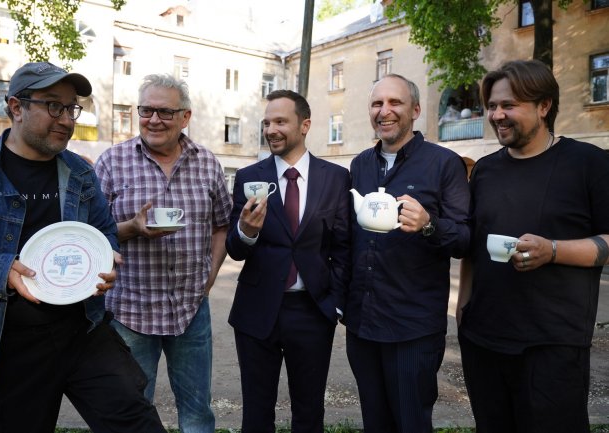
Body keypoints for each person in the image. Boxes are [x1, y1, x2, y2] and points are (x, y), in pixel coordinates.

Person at [0, 62, 166, 433]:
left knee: (138, 423)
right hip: (7, 342)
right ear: (16, 107)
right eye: (54, 106)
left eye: (72, 108)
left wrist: (105, 262)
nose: (67, 120)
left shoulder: (81, 173)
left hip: (82, 329)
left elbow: (104, 232)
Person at [456, 59, 609, 433]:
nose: (497, 115)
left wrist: (553, 250)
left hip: (553, 345)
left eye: (509, 105)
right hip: (483, 339)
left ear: (544, 106)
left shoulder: (588, 163)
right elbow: (475, 245)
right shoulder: (485, 170)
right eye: (492, 106)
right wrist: (463, 309)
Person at [95, 73, 232, 433]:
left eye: (165, 112)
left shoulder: (207, 163)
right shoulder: (111, 162)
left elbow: (222, 225)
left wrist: (210, 278)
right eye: (146, 110)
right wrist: (132, 228)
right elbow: (89, 235)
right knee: (132, 410)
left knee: (197, 412)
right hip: (130, 312)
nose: (154, 120)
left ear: (185, 117)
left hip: (191, 309)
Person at [345, 74, 470, 432]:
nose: (384, 111)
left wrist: (430, 224)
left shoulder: (444, 163)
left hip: (412, 328)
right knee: (375, 423)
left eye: (394, 102)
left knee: (411, 423)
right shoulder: (360, 165)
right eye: (377, 103)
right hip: (362, 323)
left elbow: (464, 239)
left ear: (415, 110)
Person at [225, 90, 351, 433]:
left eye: (280, 121)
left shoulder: (335, 178)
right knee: (256, 413)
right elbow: (235, 249)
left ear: (304, 125)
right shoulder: (248, 177)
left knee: (309, 413)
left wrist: (336, 303)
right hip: (256, 311)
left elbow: (343, 247)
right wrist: (246, 231)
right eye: (267, 123)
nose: (271, 130)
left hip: (313, 310)